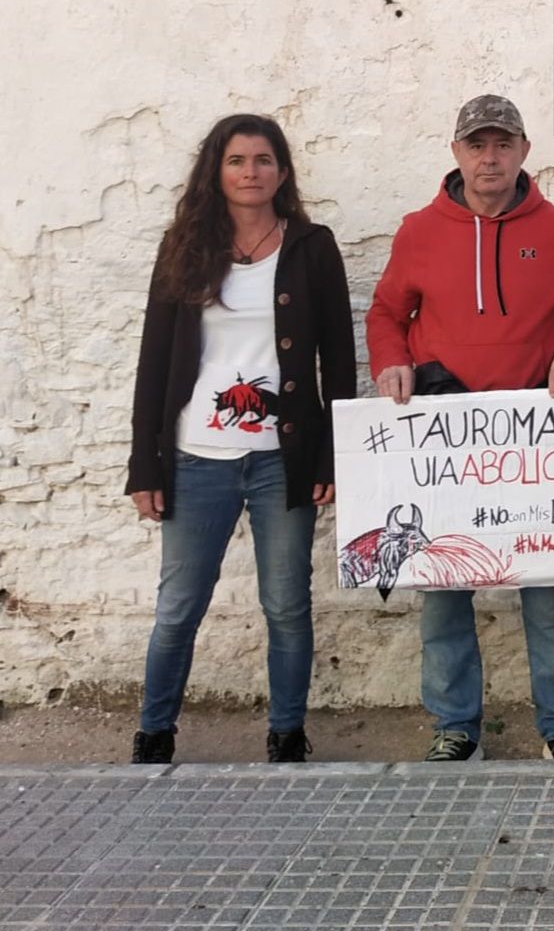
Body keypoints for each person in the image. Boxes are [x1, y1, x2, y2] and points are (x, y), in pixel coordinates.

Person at [366, 95, 554, 762]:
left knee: (548, 591)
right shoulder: (420, 231)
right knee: (445, 594)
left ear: (522, 152)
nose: (490, 156)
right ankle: (457, 726)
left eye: (502, 143)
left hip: (533, 444)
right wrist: (393, 363)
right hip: (446, 445)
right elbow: (387, 313)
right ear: (456, 152)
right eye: (476, 144)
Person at [127, 114, 356, 765]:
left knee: (286, 602)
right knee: (179, 604)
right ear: (216, 170)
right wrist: (146, 461)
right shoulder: (184, 245)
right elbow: (153, 360)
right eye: (237, 160)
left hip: (281, 460)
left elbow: (338, 361)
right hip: (197, 455)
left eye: (263, 159)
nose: (250, 171)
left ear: (282, 171)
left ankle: (286, 731)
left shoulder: (312, 246)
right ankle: (154, 730)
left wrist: (331, 454)